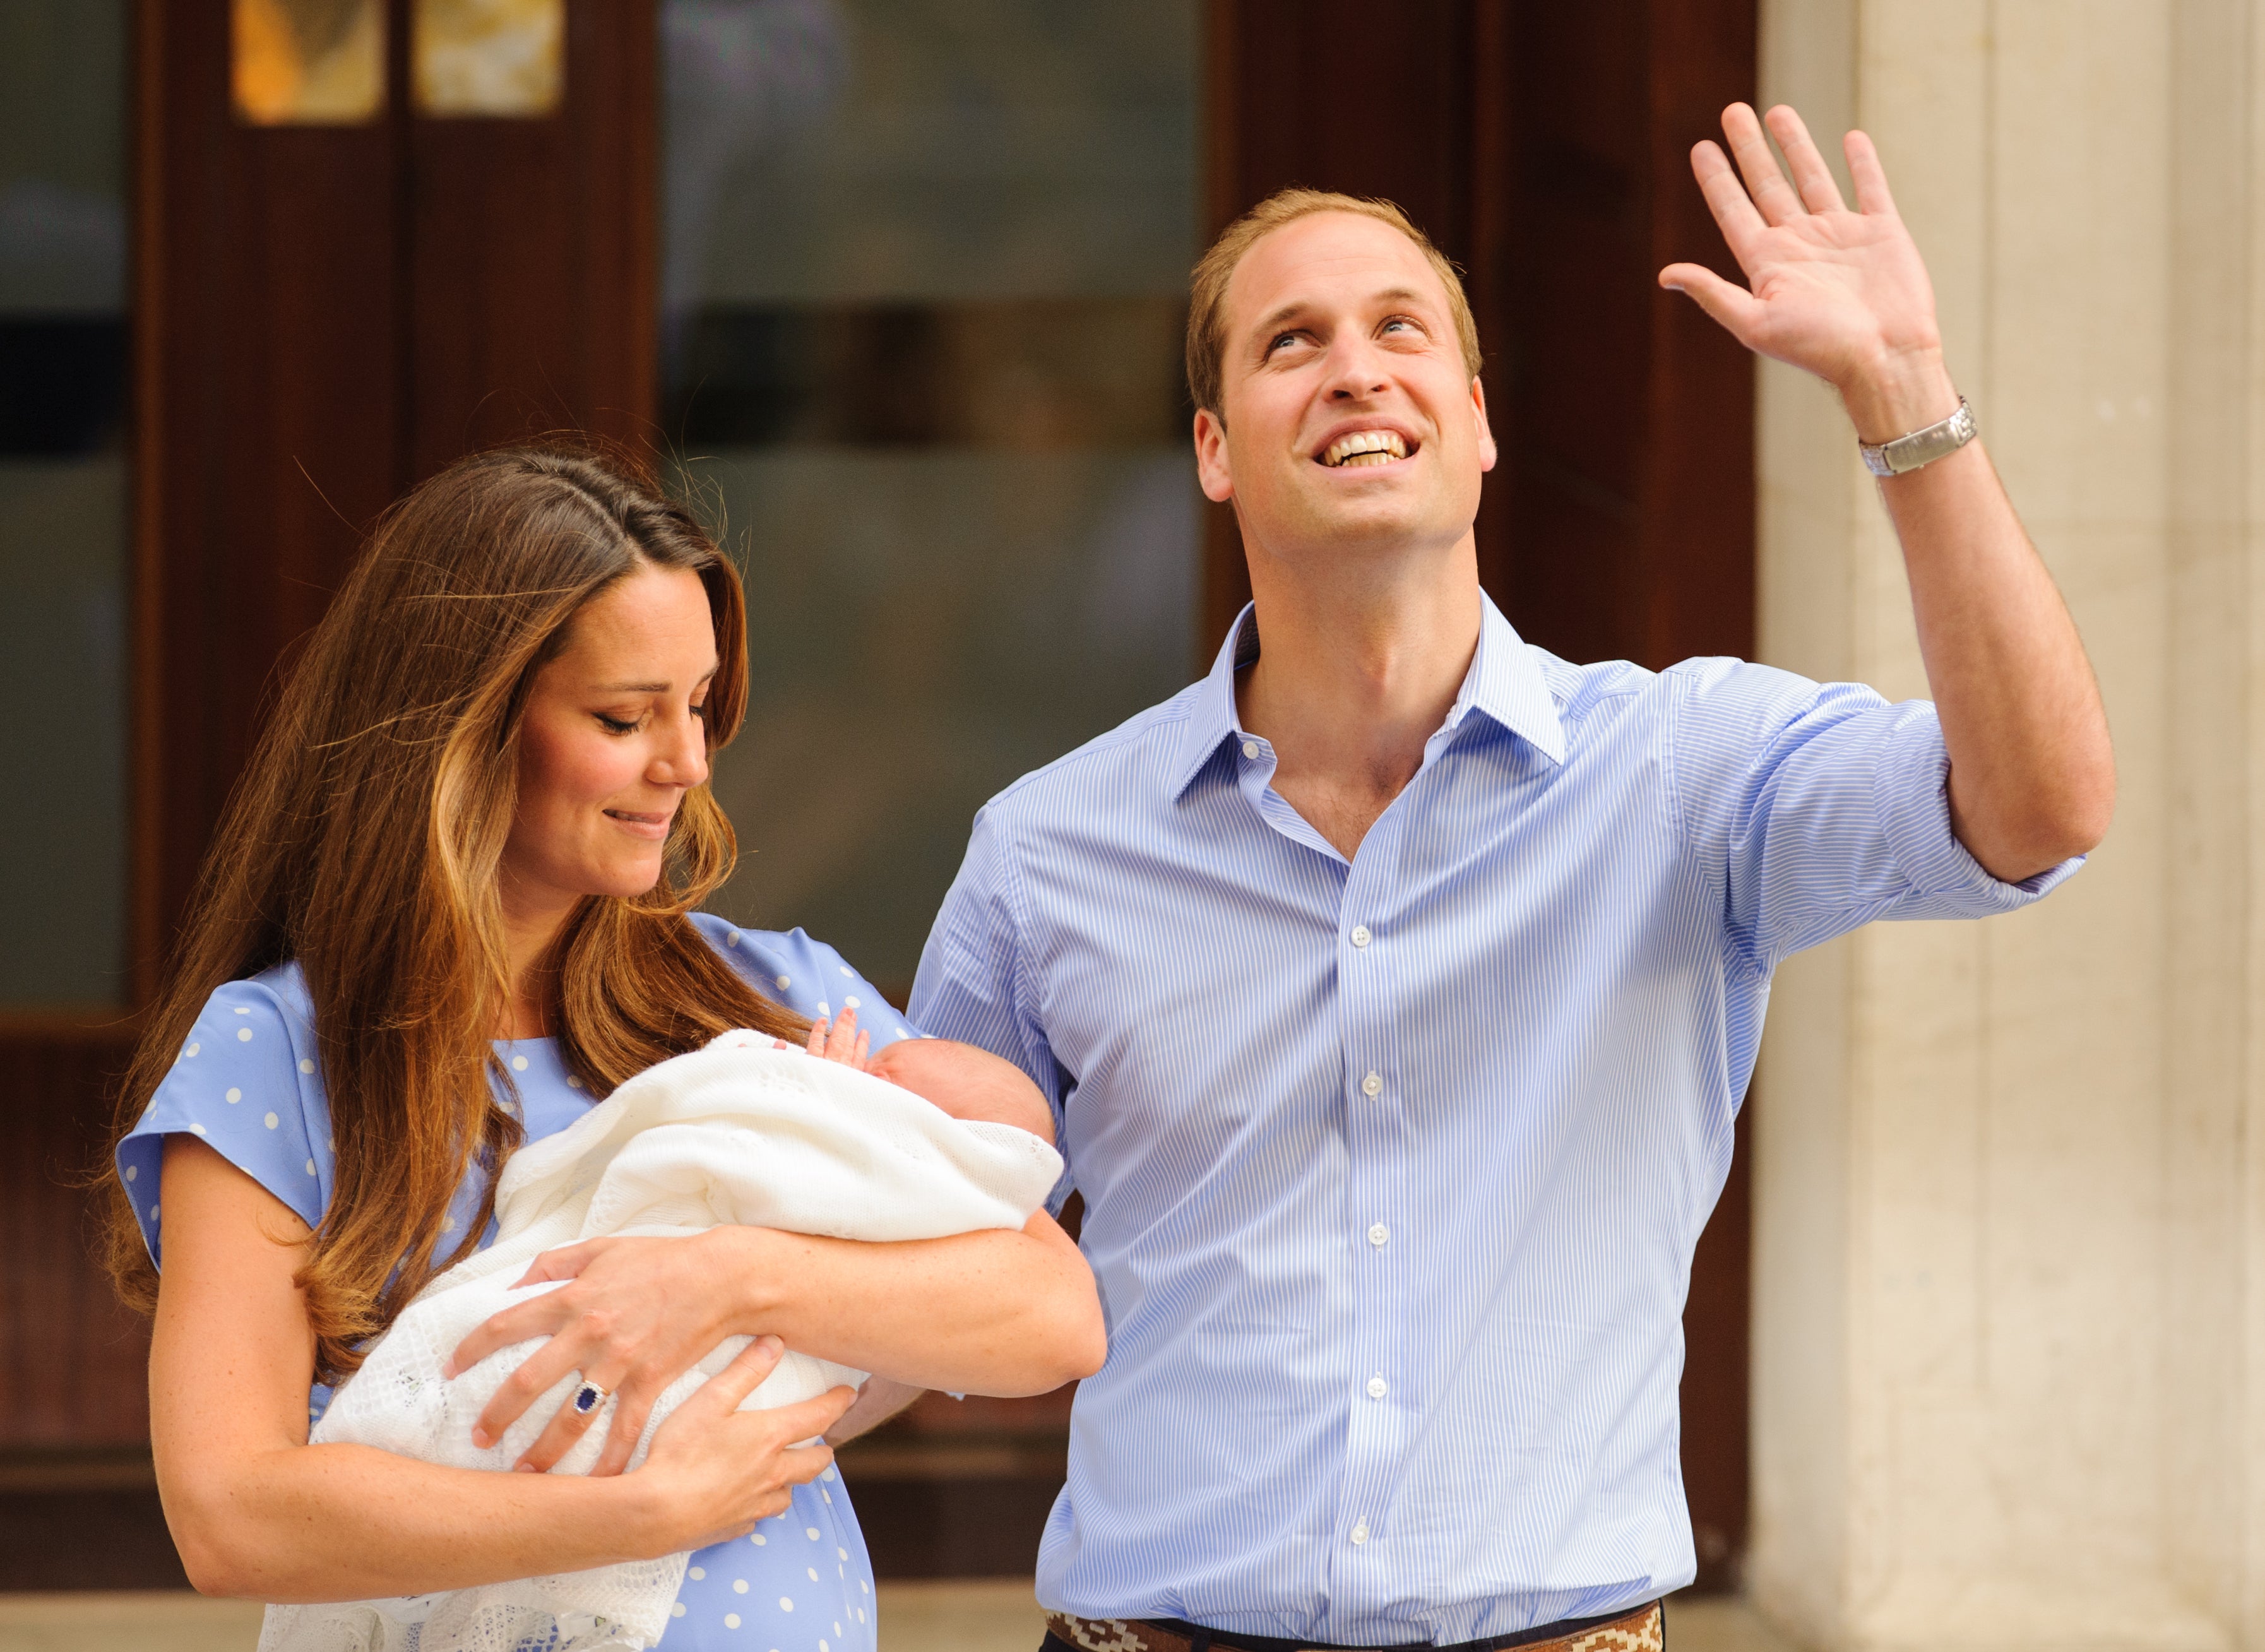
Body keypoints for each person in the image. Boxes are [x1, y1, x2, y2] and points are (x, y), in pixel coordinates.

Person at [908, 103, 2114, 1652]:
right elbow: (916, 1258)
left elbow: (2040, 809)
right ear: (1214, 450)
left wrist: (1903, 389)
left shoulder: (1679, 770)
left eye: (1398, 328)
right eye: (1290, 342)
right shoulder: (1049, 849)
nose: (1355, 369)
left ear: (1475, 421)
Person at [104, 446, 1106, 1651]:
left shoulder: (777, 1000)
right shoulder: (276, 1053)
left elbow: (1053, 1314)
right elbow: (229, 1513)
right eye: (625, 717)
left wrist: (726, 1278)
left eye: (700, 705)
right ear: (467, 726)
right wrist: (641, 1514)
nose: (687, 763)